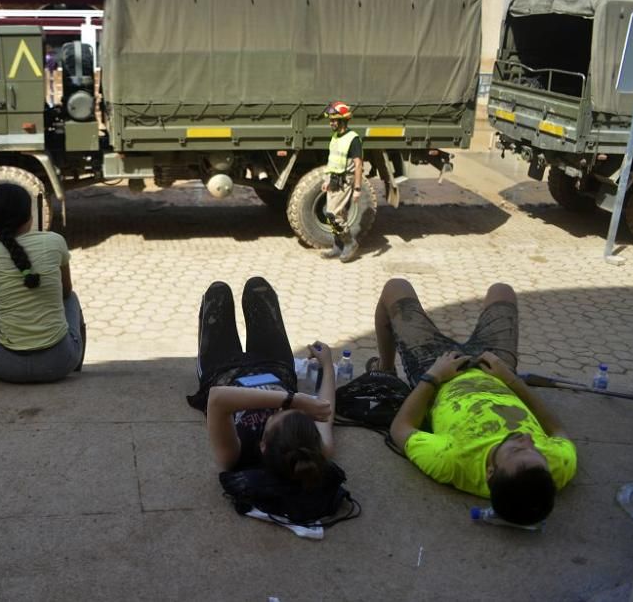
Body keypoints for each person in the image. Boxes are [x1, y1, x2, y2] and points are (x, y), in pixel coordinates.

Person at [373, 278, 576, 526]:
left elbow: (400, 429)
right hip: (496, 370)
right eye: (537, 451)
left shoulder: (452, 462)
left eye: (515, 449)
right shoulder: (554, 468)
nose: (528, 440)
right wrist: (511, 379)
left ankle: (385, 369)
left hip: (440, 369)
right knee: (502, 290)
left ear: (490, 473)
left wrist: (434, 377)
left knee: (395, 288)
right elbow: (557, 430)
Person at [188, 277, 336, 481]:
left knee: (218, 292)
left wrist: (292, 401)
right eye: (293, 413)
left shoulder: (234, 456)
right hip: (276, 366)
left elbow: (217, 399)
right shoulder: (315, 450)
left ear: (263, 445)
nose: (279, 411)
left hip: (222, 371)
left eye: (277, 415)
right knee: (257, 287)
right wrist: (327, 365)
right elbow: (325, 408)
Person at [0, 183, 84, 383]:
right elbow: (66, 290)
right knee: (72, 298)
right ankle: (77, 367)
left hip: (3, 365)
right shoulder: (55, 241)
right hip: (60, 362)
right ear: (30, 216)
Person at [320, 101, 364, 263]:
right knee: (329, 212)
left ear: (343, 120)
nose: (331, 123)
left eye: (334, 120)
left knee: (333, 214)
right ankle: (338, 246)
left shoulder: (353, 139)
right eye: (330, 120)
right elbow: (332, 161)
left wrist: (357, 188)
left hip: (345, 181)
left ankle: (350, 243)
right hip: (333, 180)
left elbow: (359, 164)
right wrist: (326, 180)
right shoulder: (335, 137)